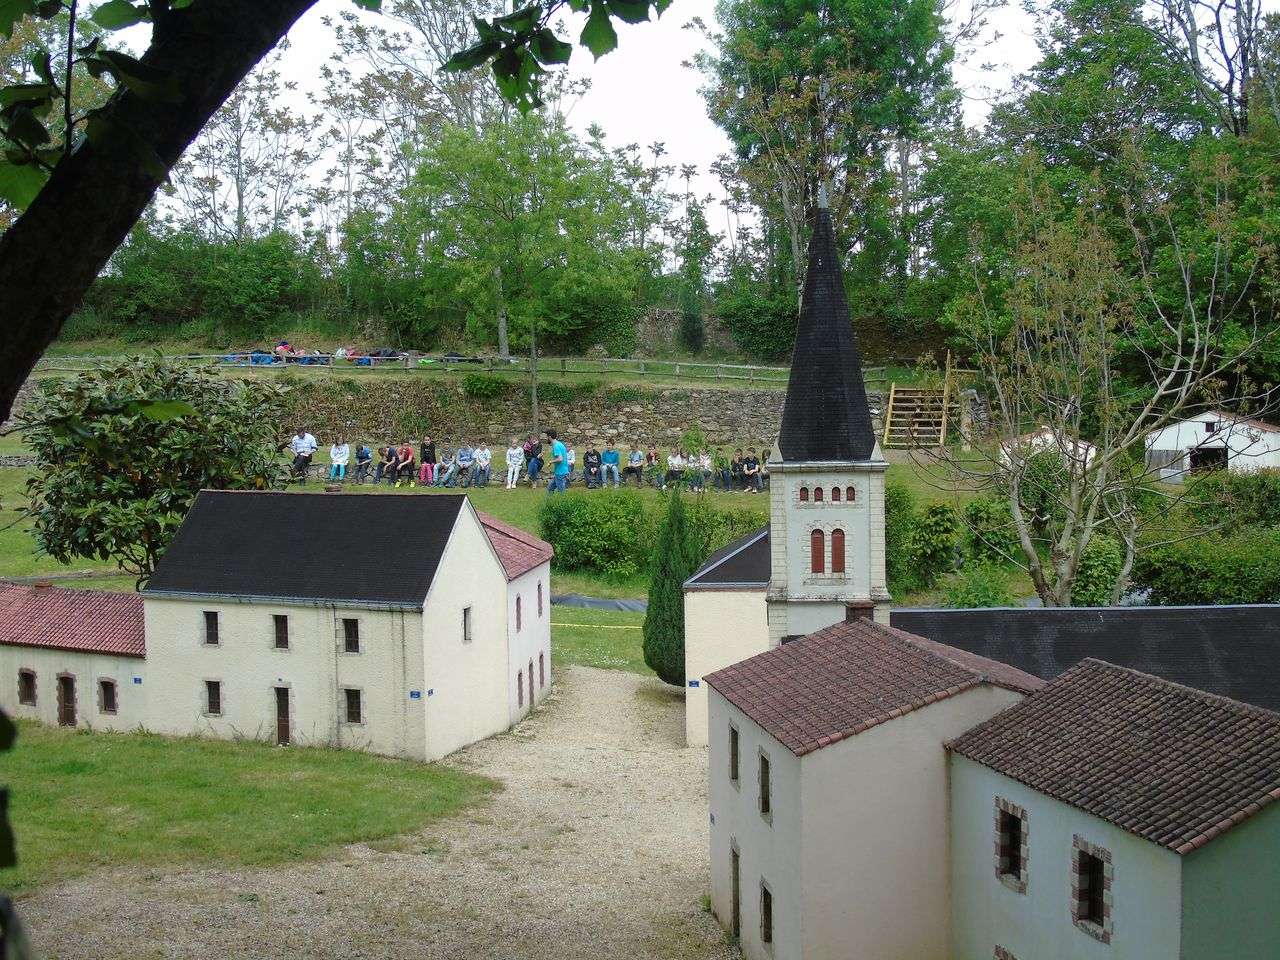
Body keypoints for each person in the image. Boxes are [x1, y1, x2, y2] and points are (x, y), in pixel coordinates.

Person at [546, 429, 569, 494]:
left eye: (547, 436)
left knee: (561, 492)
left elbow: (560, 459)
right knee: (550, 489)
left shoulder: (556, 446)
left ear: (550, 437)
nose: (546, 438)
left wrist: (551, 461)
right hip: (560, 472)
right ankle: (550, 503)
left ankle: (563, 503)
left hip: (560, 473)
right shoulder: (560, 444)